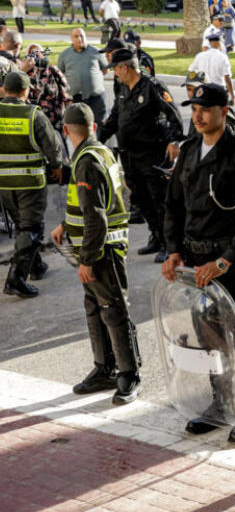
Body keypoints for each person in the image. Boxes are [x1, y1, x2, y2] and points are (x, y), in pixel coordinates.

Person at [161, 83, 235, 443]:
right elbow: (173, 205)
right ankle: (222, 404)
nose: (198, 115)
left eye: (206, 108)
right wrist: (173, 250)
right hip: (194, 263)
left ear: (225, 110)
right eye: (195, 109)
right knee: (209, 338)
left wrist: (224, 261)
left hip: (231, 265)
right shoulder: (189, 150)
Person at [50, 103, 139, 403]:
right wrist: (64, 224)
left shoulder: (86, 161)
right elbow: (98, 201)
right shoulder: (101, 150)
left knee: (114, 310)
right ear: (94, 126)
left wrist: (87, 260)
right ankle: (105, 368)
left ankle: (129, 374)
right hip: (99, 248)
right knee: (96, 308)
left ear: (65, 130)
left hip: (102, 252)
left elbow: (97, 216)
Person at [98, 48, 185, 263]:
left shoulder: (153, 86)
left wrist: (175, 141)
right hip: (129, 156)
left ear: (124, 68)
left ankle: (169, 244)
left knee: (159, 199)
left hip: (152, 154)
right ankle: (156, 236)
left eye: (115, 70)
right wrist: (96, 140)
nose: (114, 74)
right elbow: (114, 118)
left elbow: (174, 115)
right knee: (139, 198)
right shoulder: (122, 88)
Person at [0, 70, 63, 297]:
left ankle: (35, 265)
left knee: (21, 225)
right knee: (32, 227)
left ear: (5, 90)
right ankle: (15, 279)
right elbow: (52, 145)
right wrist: (57, 166)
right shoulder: (32, 114)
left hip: (4, 185)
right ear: (26, 91)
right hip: (30, 182)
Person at [58, 28, 107, 125]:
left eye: (82, 36)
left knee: (99, 125)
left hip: (96, 99)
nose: (79, 39)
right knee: (77, 126)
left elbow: (105, 70)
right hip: (75, 99)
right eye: (76, 36)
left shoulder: (96, 52)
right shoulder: (64, 55)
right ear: (71, 39)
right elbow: (60, 74)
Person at [25, 43, 72, 132]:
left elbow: (67, 97)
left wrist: (68, 121)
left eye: (39, 53)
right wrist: (24, 70)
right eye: (33, 53)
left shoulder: (53, 71)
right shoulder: (24, 74)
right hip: (32, 124)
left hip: (54, 123)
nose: (36, 56)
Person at [187, 32, 235, 102]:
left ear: (210, 43)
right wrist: (233, 95)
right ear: (219, 43)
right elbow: (227, 78)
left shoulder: (200, 56)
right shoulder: (223, 57)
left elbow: (191, 71)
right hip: (218, 90)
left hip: (203, 90)